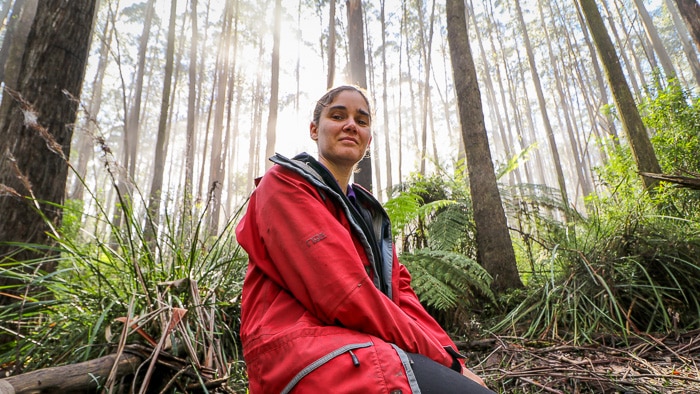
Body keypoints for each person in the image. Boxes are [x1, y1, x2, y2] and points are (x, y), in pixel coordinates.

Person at [236, 85, 494, 393]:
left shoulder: (368, 210)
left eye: (362, 120)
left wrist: (452, 357)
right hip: (302, 351)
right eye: (337, 115)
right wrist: (445, 363)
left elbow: (403, 296)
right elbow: (344, 293)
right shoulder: (286, 185)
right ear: (314, 129)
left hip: (365, 344)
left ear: (368, 138)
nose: (351, 125)